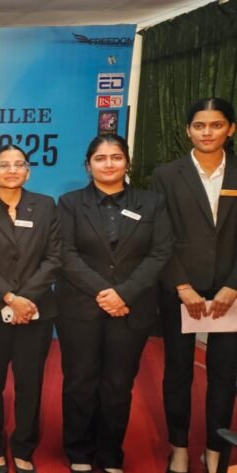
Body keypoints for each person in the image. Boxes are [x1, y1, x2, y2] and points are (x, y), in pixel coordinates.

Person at [56, 134, 172, 473]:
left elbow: (160, 252)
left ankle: (110, 456)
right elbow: (65, 253)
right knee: (79, 381)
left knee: (118, 385)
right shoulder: (69, 203)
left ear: (127, 162)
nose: (109, 164)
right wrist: (105, 292)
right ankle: (79, 452)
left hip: (131, 308)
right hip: (80, 307)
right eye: (100, 158)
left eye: (116, 157)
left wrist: (125, 293)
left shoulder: (152, 203)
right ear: (88, 165)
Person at [151, 97, 237, 473]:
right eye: (199, 125)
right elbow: (159, 236)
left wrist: (233, 286)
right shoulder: (166, 175)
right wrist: (181, 285)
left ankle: (216, 451)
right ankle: (180, 447)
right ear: (188, 130)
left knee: (224, 374)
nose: (207, 132)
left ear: (230, 129)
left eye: (216, 125)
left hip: (230, 291)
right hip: (180, 289)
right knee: (178, 371)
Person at [0, 144, 61, 473]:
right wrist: (10, 297)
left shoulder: (45, 206)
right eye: (3, 165)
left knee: (30, 384)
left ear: (28, 171)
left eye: (19, 164)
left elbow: (54, 257)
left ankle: (24, 447)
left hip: (36, 311)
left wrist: (27, 297)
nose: (12, 170)